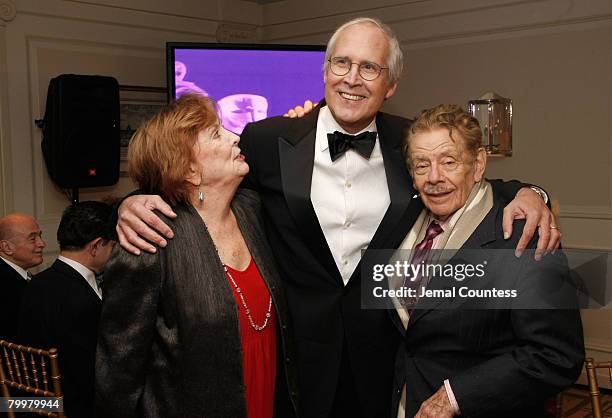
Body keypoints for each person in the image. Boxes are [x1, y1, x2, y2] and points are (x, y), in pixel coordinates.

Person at [115, 18, 560, 418]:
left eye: (370, 67)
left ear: (391, 84)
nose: (352, 79)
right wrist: (131, 202)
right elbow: (189, 177)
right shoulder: (267, 139)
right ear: (325, 70)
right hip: (296, 357)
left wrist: (529, 193)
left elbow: (460, 178)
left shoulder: (411, 141)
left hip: (386, 355)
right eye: (341, 63)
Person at [95, 93, 298, 418]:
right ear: (188, 169)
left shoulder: (253, 211)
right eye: (217, 133)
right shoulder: (151, 241)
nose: (235, 136)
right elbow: (118, 374)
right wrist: (126, 205)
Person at [391, 104, 583, 418]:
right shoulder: (403, 221)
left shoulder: (525, 236)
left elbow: (555, 354)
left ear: (478, 164)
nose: (434, 177)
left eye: (448, 161)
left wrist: (455, 396)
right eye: (421, 165)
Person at [18, 201, 115, 418]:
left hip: (27, 401)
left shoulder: (36, 283)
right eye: (112, 246)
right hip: (64, 407)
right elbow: (92, 375)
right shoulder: (81, 301)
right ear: (95, 246)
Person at [0, 213, 45, 341]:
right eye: (32, 239)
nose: (42, 244)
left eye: (40, 236)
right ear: (7, 247)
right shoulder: (7, 288)